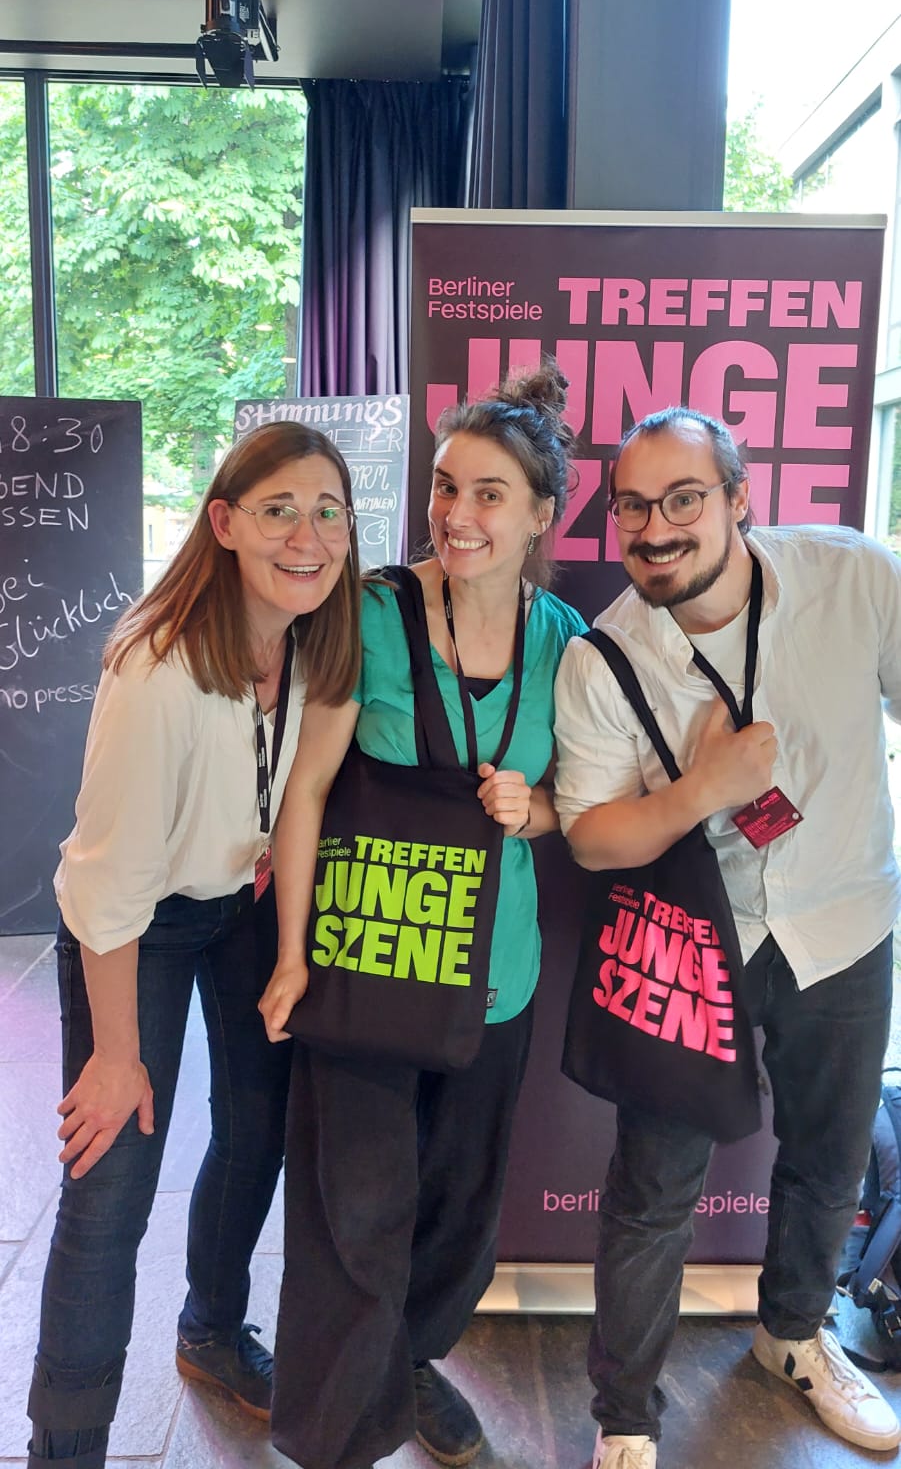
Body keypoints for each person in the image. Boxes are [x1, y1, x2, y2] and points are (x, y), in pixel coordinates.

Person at [553, 406, 901, 1469]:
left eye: (682, 499)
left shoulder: (852, 577)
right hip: (694, 946)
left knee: (830, 1155)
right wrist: (703, 789)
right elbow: (591, 837)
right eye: (632, 507)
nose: (654, 529)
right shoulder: (603, 655)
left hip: (844, 922)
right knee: (653, 1186)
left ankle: (792, 1336)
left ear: (739, 498)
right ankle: (624, 1411)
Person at [258, 362, 586, 1469]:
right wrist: (291, 956)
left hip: (495, 971)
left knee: (459, 1206)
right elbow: (305, 788)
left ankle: (408, 1363)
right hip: (367, 955)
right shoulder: (370, 611)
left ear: (541, 514)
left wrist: (534, 809)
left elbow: (581, 803)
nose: (456, 513)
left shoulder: (563, 639)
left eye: (489, 493)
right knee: (354, 1208)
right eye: (446, 486)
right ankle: (338, 1431)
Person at [26, 422, 361, 1469]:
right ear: (222, 522)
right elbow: (107, 886)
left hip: (243, 902)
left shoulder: (315, 639)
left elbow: (290, 795)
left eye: (329, 512)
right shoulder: (157, 668)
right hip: (139, 923)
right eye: (278, 511)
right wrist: (115, 1054)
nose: (308, 537)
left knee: (259, 1127)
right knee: (112, 1178)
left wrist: (282, 926)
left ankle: (211, 1330)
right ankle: (68, 1442)